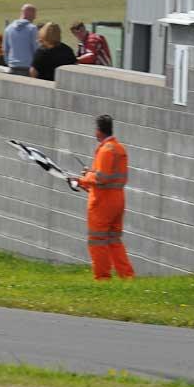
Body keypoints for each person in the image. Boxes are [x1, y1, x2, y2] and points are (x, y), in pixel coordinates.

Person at [69, 116, 135, 281]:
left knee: (97, 240)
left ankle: (103, 278)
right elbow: (107, 177)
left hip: (103, 202)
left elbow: (101, 178)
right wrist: (90, 175)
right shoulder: (119, 149)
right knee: (114, 239)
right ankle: (127, 276)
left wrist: (81, 180)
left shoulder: (106, 150)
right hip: (118, 199)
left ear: (98, 131)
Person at [3, 4, 39, 76]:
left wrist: (10, 63)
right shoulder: (32, 29)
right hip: (28, 68)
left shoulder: (8, 28)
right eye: (34, 14)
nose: (35, 17)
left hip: (12, 67)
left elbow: (5, 49)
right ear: (30, 13)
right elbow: (36, 49)